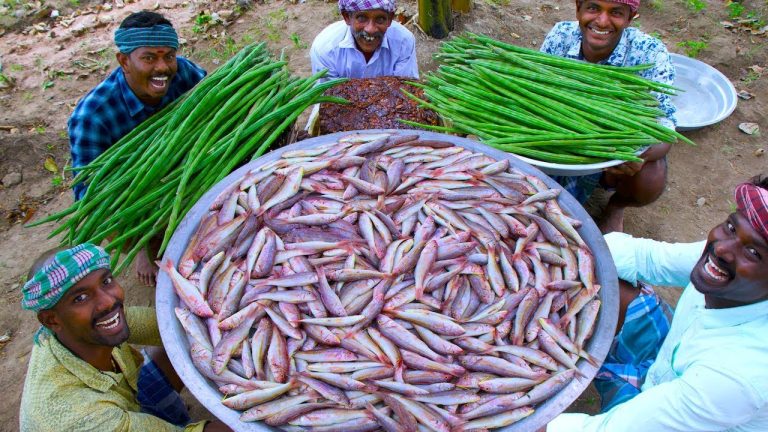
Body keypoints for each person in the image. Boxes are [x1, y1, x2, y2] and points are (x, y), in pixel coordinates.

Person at [547, 175, 768, 431]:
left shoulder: (738, 377)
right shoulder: (727, 255)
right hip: (663, 367)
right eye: (731, 226)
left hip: (684, 418)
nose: (721, 250)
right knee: (605, 282)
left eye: (753, 252)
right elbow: (649, 258)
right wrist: (565, 250)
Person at [18, 244, 231, 432]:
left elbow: (170, 328)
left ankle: (157, 412)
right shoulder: (78, 415)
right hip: (103, 422)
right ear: (51, 320)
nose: (108, 302)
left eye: (106, 281)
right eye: (80, 298)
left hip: (126, 403)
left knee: (180, 342)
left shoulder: (85, 326)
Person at [68, 11, 206, 285]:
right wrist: (137, 240)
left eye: (169, 56)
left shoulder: (185, 73)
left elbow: (221, 111)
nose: (162, 68)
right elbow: (89, 196)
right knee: (113, 213)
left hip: (189, 168)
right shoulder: (92, 116)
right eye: (149, 58)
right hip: (134, 193)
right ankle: (144, 244)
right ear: (124, 61)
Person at [540, 0, 677, 233]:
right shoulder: (561, 36)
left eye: (616, 12)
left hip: (613, 158)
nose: (602, 21)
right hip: (557, 143)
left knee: (651, 177)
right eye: (593, 8)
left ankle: (615, 206)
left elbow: (665, 132)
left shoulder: (650, 53)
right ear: (578, 9)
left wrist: (635, 155)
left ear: (630, 18)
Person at [310, 0, 419, 82]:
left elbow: (405, 91)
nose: (370, 29)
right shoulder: (326, 49)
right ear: (347, 17)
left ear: (390, 19)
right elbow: (329, 98)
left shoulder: (403, 42)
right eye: (362, 18)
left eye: (380, 19)